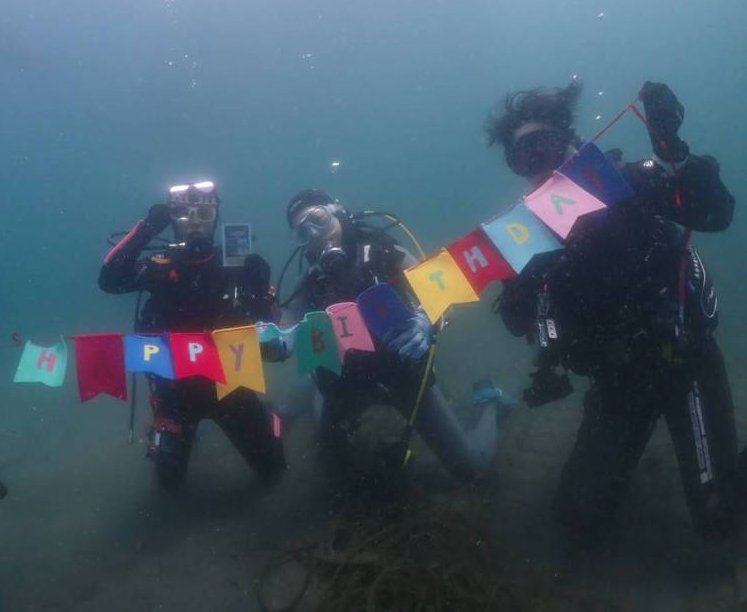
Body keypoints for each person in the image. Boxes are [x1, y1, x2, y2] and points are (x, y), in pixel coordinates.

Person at [486, 79, 739, 543]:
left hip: (683, 360)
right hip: (618, 378)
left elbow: (716, 213)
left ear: (570, 143)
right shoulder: (527, 234)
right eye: (524, 156)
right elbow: (517, 321)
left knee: (721, 519)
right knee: (577, 520)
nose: (538, 164)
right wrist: (517, 269)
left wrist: (674, 150)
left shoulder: (629, 180)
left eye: (545, 146)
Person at [280, 190, 506, 502]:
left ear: (338, 212)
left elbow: (440, 299)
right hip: (343, 385)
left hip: (403, 374)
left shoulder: (387, 252)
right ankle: (311, 394)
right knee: (334, 472)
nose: (315, 234)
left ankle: (489, 401)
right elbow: (287, 319)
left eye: (318, 219)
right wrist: (280, 337)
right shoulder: (311, 279)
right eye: (303, 231)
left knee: (471, 466)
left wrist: (426, 321)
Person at [99, 180, 285, 489]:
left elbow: (269, 325)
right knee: (169, 483)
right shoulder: (159, 266)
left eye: (203, 214)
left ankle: (266, 416)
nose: (195, 222)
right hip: (174, 395)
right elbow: (109, 280)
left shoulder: (237, 265)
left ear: (216, 217)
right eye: (185, 215)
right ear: (171, 220)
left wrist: (262, 292)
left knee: (273, 468)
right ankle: (174, 436)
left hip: (233, 386)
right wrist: (145, 230)